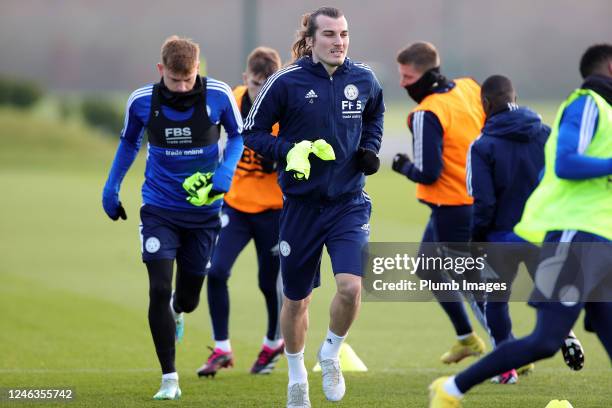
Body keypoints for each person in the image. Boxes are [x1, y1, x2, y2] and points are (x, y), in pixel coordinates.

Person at [429, 43, 612, 408]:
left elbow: (493, 192)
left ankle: (490, 373)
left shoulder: (485, 143)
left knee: (499, 301)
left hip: (577, 237)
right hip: (569, 235)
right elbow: (564, 166)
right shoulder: (581, 106)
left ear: (486, 104)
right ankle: (451, 390)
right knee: (546, 336)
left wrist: (481, 232)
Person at [243, 6, 384, 407]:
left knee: (352, 286)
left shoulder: (364, 78)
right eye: (330, 35)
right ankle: (296, 375)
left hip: (348, 203)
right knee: (296, 300)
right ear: (310, 40)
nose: (339, 42)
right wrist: (291, 150)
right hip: (301, 207)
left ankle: (331, 352)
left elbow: (375, 115)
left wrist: (370, 149)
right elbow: (251, 133)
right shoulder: (284, 82)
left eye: (344, 34)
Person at [101, 36, 243, 400]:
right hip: (159, 208)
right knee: (159, 288)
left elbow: (238, 136)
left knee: (188, 297)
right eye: (175, 80)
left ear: (198, 69)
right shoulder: (142, 102)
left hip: (204, 213)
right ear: (161, 70)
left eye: (189, 79)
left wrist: (226, 170)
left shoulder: (219, 95)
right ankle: (169, 379)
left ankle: (180, 310)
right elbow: (130, 143)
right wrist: (111, 187)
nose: (182, 87)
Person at [391, 41, 487, 365]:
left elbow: (429, 173)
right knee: (428, 265)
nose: (402, 83)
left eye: (407, 77)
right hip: (477, 197)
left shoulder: (425, 113)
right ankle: (467, 339)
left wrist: (402, 165)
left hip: (453, 204)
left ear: (426, 75)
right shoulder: (469, 87)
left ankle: (509, 355)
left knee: (468, 282)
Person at [198, 46, 285, 377]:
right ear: (245, 78)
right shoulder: (231, 100)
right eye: (255, 85)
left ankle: (273, 341)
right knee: (216, 271)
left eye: (267, 86)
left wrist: (279, 158)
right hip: (235, 206)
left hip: (274, 211)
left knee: (269, 282)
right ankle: (221, 348)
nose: (260, 92)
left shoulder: (285, 110)